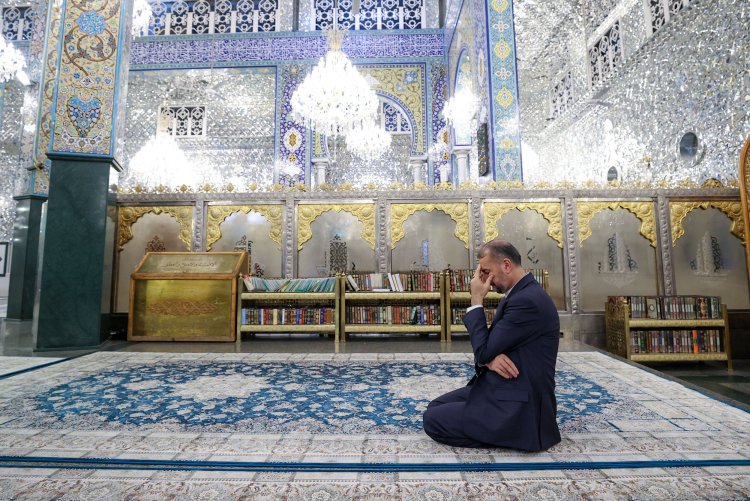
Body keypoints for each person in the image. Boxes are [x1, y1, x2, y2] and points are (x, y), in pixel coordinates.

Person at [423, 239, 561, 451]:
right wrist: (489, 360)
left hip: (518, 404)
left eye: (486, 272)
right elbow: (487, 350)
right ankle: (496, 429)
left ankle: (516, 433)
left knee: (432, 420)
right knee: (436, 406)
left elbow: (484, 349)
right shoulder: (520, 294)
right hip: (502, 388)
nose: (484, 280)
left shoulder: (527, 302)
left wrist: (476, 299)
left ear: (506, 265)